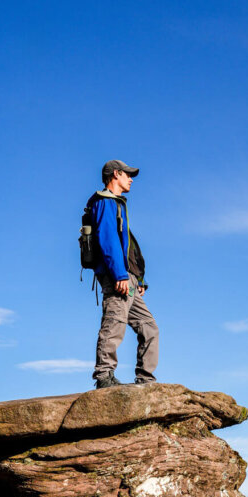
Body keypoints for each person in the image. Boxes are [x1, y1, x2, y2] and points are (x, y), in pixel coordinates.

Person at [88, 159, 159, 389]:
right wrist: (119, 275)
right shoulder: (105, 202)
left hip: (128, 278)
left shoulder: (118, 204)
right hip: (117, 277)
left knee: (149, 327)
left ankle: (146, 379)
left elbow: (129, 247)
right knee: (115, 322)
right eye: (127, 174)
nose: (130, 179)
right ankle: (104, 376)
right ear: (116, 174)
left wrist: (139, 279)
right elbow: (108, 240)